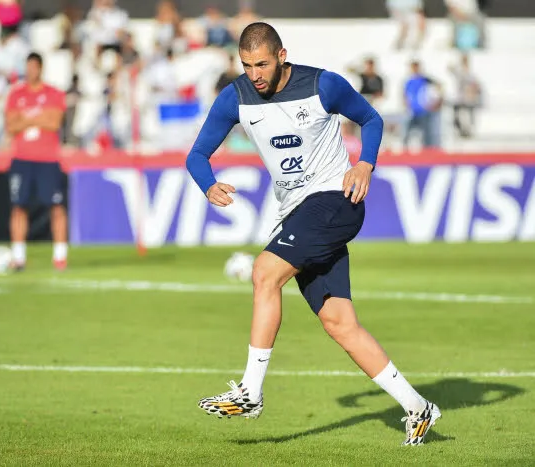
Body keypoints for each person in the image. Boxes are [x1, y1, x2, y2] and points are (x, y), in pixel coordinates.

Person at [186, 22, 440, 446]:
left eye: (262, 64)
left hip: (336, 200)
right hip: (298, 214)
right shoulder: (236, 96)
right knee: (340, 324)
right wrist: (208, 184)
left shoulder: (324, 85)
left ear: (282, 55)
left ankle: (250, 391)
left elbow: (371, 119)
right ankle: (418, 407)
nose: (255, 74)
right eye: (246, 65)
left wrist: (365, 163)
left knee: (265, 272)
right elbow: (197, 154)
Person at [4, 52, 68, 271]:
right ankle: (18, 257)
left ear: (40, 68)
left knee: (56, 207)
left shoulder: (54, 93)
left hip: (48, 159)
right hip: (22, 158)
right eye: (28, 67)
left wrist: (26, 118)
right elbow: (11, 126)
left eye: (34, 67)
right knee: (18, 207)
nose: (31, 71)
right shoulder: (16, 94)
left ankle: (60, 256)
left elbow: (54, 122)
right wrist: (39, 117)